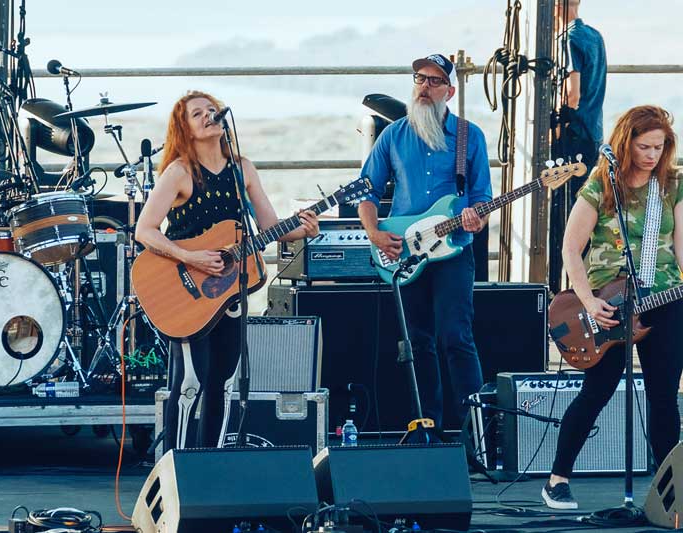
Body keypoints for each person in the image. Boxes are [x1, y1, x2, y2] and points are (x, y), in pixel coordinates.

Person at [134, 90, 319, 451]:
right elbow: (144, 230)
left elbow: (268, 226)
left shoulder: (242, 169)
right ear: (184, 129)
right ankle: (177, 466)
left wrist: (304, 226)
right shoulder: (179, 172)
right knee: (189, 380)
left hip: (229, 290)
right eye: (197, 114)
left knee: (223, 381)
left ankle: (212, 462)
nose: (208, 116)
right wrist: (191, 258)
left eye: (212, 111)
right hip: (184, 288)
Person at [543, 106, 683, 510]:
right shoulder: (603, 182)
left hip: (665, 299)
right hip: (608, 304)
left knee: (663, 396)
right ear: (626, 143)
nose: (653, 154)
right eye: (644, 146)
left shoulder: (671, 184)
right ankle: (557, 479)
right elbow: (571, 248)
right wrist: (588, 301)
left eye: (660, 146)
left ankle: (667, 492)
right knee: (597, 391)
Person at [358, 54, 492, 430]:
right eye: (420, 78)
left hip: (453, 252)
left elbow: (482, 197)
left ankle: (474, 435)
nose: (424, 87)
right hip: (404, 251)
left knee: (456, 338)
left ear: (449, 91)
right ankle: (425, 428)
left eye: (434, 82)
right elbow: (366, 192)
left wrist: (476, 217)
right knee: (417, 345)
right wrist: (374, 233)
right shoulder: (392, 136)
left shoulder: (470, 136)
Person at [555, 0, 607, 193]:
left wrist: (559, 129)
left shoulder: (568, 38)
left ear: (555, 7)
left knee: (565, 201)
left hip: (575, 132)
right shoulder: (594, 36)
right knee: (584, 195)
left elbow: (572, 94)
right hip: (593, 130)